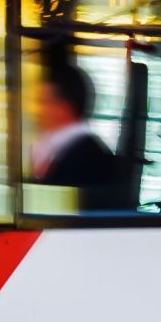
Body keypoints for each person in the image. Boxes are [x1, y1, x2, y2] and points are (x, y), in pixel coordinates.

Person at [30, 55, 120, 211]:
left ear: (64, 107)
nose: (35, 111)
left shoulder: (89, 159)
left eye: (42, 101)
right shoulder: (57, 149)